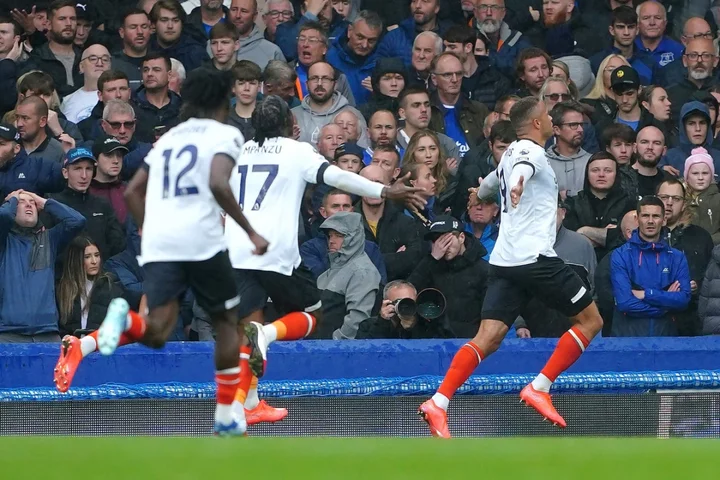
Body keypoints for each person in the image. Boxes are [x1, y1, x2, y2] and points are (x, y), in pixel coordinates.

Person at [66, 68, 269, 436]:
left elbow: (131, 193)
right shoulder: (227, 134)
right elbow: (217, 182)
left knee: (158, 330)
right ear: (222, 101)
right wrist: (250, 230)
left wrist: (147, 231)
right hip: (203, 240)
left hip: (161, 242)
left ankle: (125, 320)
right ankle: (225, 414)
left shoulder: (169, 138)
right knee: (226, 324)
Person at [222, 94, 425, 417]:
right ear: (289, 125)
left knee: (248, 326)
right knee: (314, 314)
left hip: (236, 251)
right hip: (274, 252)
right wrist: (384, 191)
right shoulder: (296, 151)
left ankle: (249, 403)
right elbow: (337, 177)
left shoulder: (239, 153)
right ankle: (268, 336)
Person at [418, 96, 604, 437]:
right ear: (536, 123)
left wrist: (479, 194)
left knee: (488, 338)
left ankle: (439, 402)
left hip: (504, 262)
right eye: (547, 115)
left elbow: (489, 185)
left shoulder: (506, 159)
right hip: (534, 259)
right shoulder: (529, 151)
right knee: (591, 321)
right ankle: (540, 387)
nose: (550, 119)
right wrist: (518, 183)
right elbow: (522, 169)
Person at [0, 190, 85, 343]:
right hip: (9, 334)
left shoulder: (49, 239)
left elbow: (77, 221)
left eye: (32, 202)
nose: (28, 204)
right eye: (21, 202)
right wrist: (11, 200)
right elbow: (3, 216)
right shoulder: (4, 240)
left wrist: (44, 202)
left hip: (48, 333)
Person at [610, 196, 691, 336]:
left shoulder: (677, 257)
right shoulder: (620, 254)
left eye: (656, 216)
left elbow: (683, 300)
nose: (651, 221)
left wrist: (646, 294)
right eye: (645, 215)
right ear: (637, 219)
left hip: (666, 338)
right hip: (627, 339)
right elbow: (625, 302)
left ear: (664, 220)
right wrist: (665, 306)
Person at [407, 215, 489, 338]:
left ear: (461, 237)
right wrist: (432, 259)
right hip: (434, 342)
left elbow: (492, 310)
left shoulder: (483, 269)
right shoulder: (430, 264)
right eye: (436, 241)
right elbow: (409, 292)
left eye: (446, 240)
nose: (442, 246)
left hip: (470, 341)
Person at [657, 178, 713, 336]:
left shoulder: (700, 236)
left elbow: (712, 275)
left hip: (691, 319)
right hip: (651, 316)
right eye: (663, 197)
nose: (668, 203)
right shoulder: (643, 234)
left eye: (675, 199)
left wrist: (697, 285)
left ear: (684, 204)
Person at [56, 236, 142, 337]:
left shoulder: (112, 288)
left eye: (96, 255)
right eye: (87, 257)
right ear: (76, 260)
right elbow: (61, 327)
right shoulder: (62, 290)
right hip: (73, 348)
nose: (94, 261)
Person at [315, 211, 382, 339]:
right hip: (320, 348)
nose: (332, 241)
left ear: (354, 237)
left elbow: (358, 319)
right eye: (330, 236)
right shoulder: (329, 272)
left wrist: (336, 343)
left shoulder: (362, 271)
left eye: (339, 235)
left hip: (338, 352)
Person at [356, 164, 424, 281]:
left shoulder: (406, 223)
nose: (374, 188)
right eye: (368, 183)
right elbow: (349, 265)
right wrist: (397, 257)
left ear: (388, 186)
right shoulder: (348, 223)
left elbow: (413, 262)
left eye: (378, 182)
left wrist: (370, 260)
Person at [562, 151, 635, 261]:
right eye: (595, 170)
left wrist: (585, 231)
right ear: (587, 174)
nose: (601, 174)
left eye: (608, 170)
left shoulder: (629, 204)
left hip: (619, 263)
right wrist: (605, 236)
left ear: (617, 174)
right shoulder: (573, 203)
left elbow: (626, 238)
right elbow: (570, 241)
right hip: (580, 264)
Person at [356, 280, 453, 339]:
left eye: (410, 301)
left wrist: (413, 328)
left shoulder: (427, 326)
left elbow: (443, 346)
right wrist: (382, 323)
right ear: (386, 303)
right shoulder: (368, 326)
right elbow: (366, 354)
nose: (406, 306)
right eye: (399, 301)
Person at [326, 10, 383, 106]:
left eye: (371, 40)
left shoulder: (381, 64)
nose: (364, 45)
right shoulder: (329, 58)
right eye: (360, 37)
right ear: (349, 31)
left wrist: (380, 93)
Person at [0, 122, 64, 199]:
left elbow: (70, 178)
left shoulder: (37, 167)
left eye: (1, 144)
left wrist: (69, 153)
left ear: (16, 148)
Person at [132, 52, 183, 143]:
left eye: (156, 70)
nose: (149, 74)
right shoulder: (131, 106)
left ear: (169, 75)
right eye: (146, 70)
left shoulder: (182, 108)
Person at [148, 0, 209, 72]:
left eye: (175, 20)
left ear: (182, 24)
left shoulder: (196, 53)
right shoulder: (145, 48)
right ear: (153, 24)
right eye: (164, 20)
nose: (170, 26)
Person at [547, 101, 591, 198]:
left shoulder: (592, 162)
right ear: (557, 130)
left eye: (581, 124)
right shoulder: (543, 162)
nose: (580, 130)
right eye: (573, 125)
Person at [60, 44, 112, 124]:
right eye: (93, 59)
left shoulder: (118, 96)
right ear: (81, 67)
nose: (100, 63)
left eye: (105, 59)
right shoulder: (67, 101)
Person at [230, 0, 285, 70]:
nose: (237, 15)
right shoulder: (215, 44)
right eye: (234, 9)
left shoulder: (271, 51)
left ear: (255, 16)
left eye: (244, 11)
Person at [15, 96, 67, 164]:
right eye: (17, 117)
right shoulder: (10, 147)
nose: (19, 124)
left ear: (42, 121)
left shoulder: (57, 151)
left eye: (25, 118)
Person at [684, 147, 720, 243]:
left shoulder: (718, 199)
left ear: (711, 176)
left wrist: (707, 241)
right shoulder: (680, 200)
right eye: (695, 173)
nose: (700, 178)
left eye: (705, 173)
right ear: (687, 177)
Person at [634, 0, 683, 69]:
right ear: (638, 23)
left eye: (657, 18)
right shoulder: (630, 48)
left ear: (665, 23)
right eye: (646, 18)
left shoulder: (678, 50)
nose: (652, 23)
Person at [112, 9, 152, 92]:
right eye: (133, 27)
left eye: (144, 27)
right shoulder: (111, 64)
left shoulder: (161, 62)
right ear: (122, 32)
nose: (140, 32)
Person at [227, 60, 260, 140]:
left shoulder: (269, 117)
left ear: (259, 87)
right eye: (241, 83)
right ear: (233, 87)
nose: (247, 88)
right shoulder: (224, 120)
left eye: (252, 83)